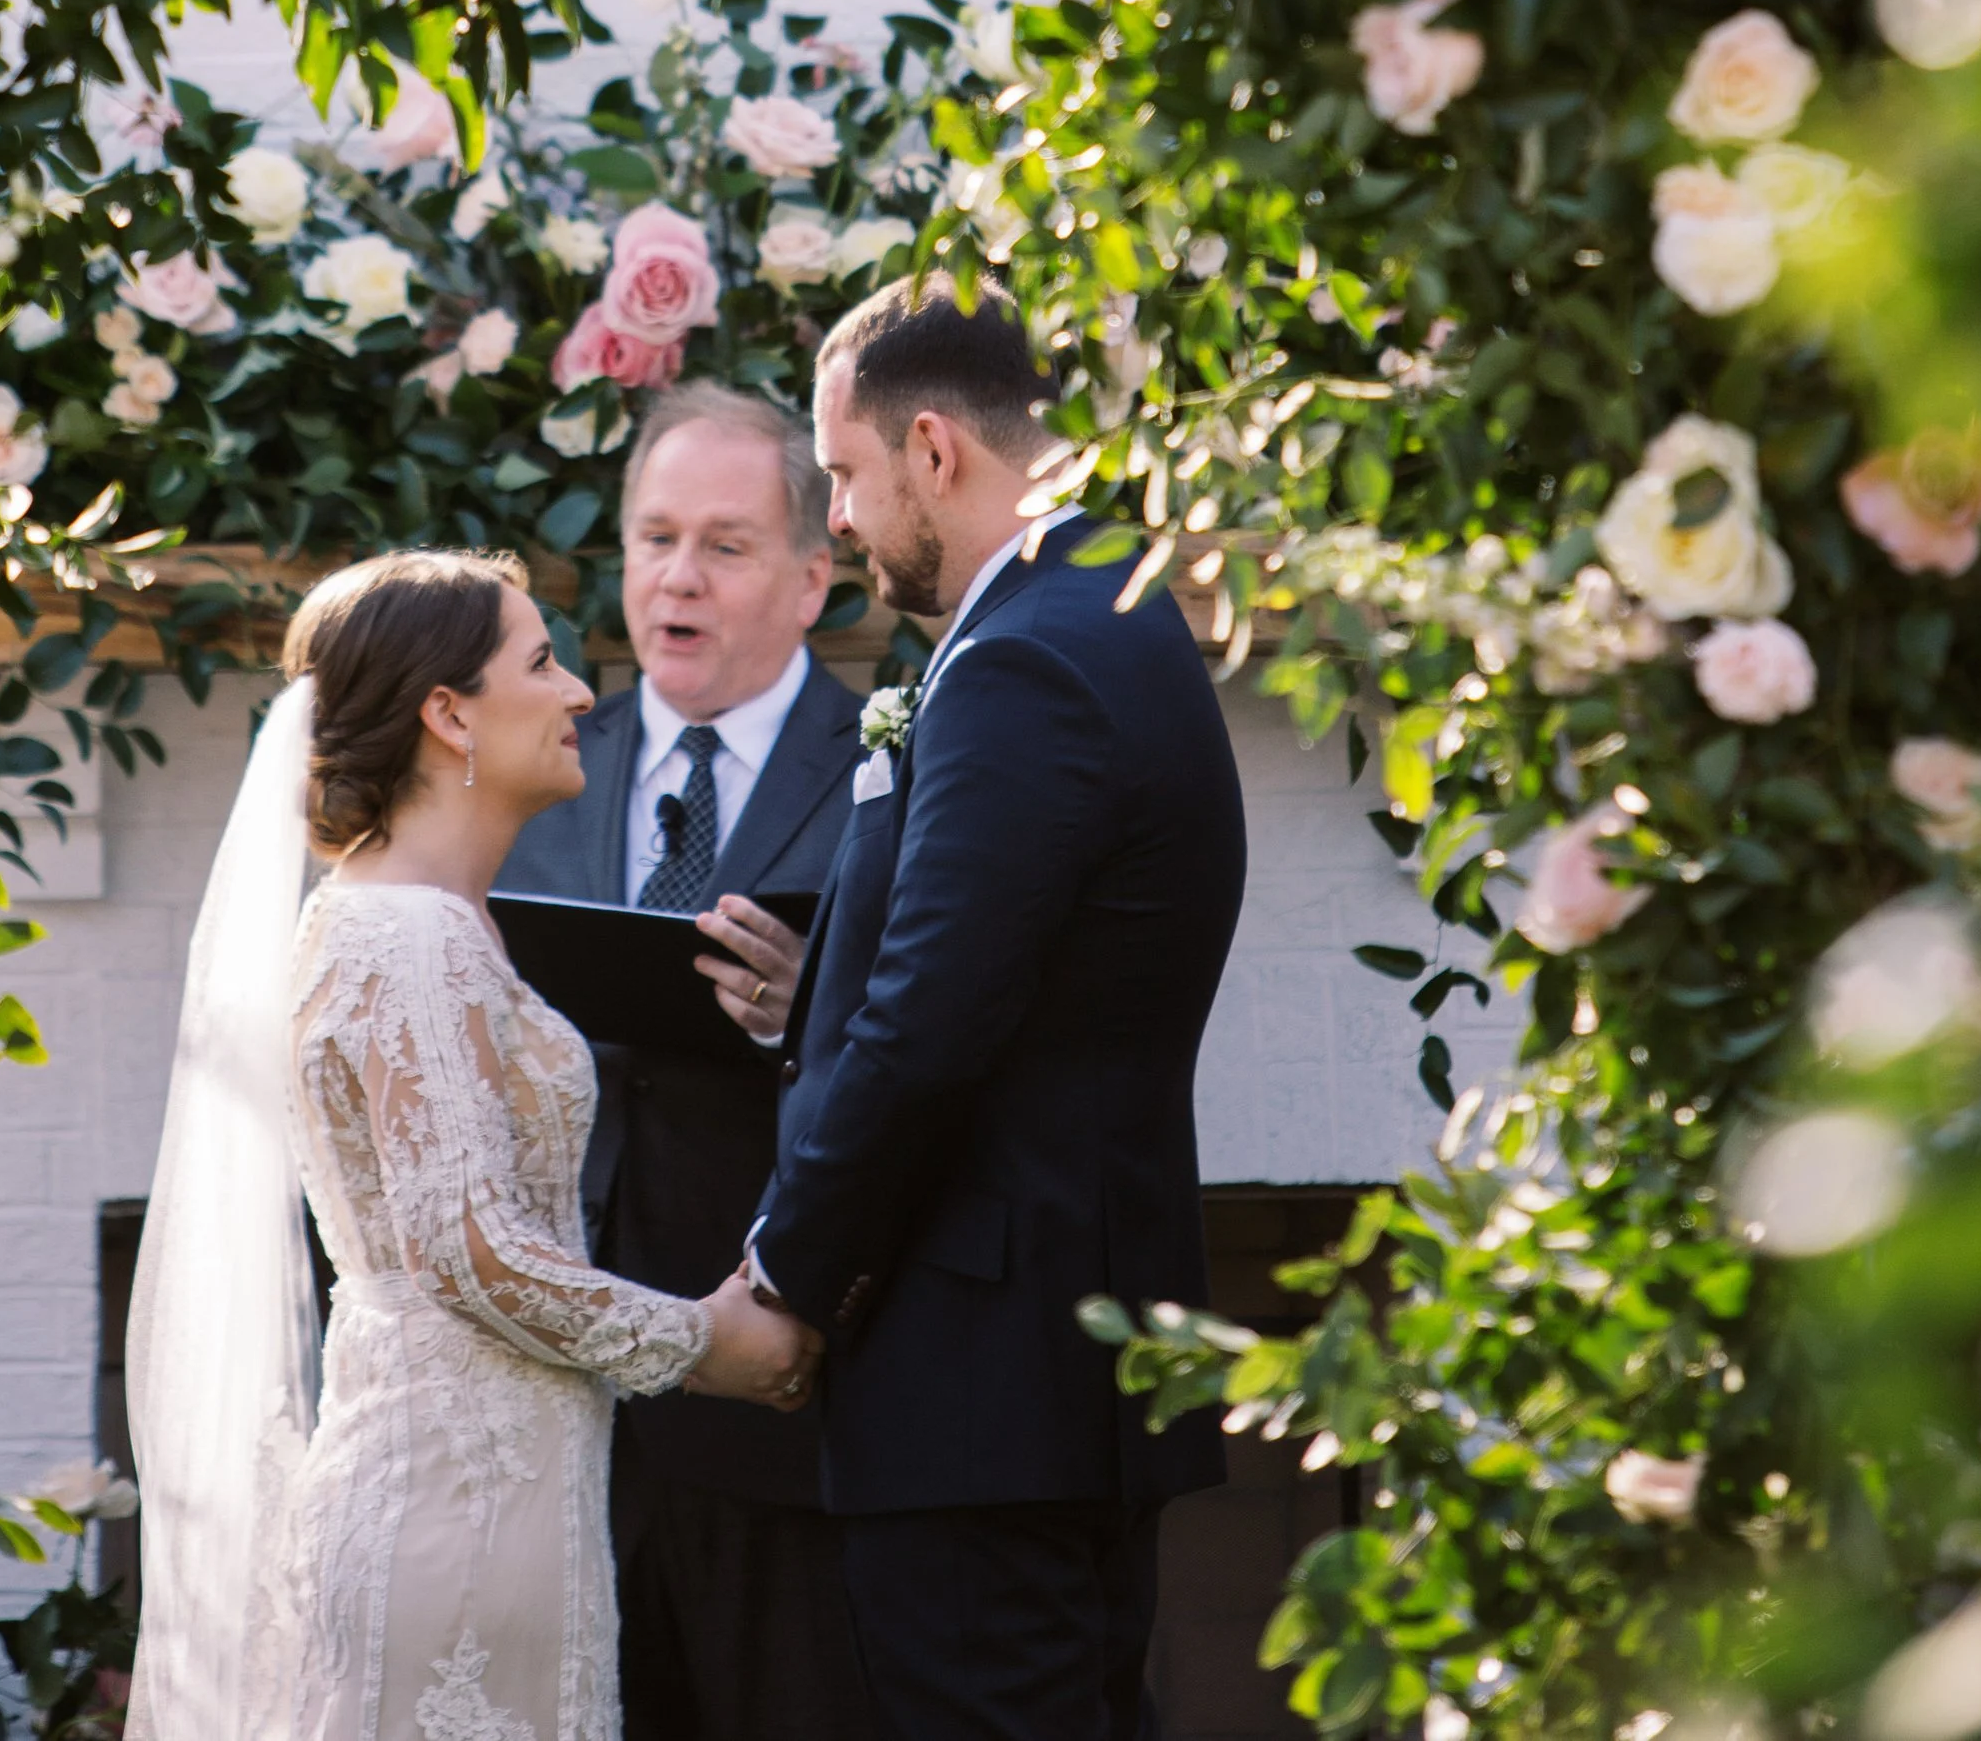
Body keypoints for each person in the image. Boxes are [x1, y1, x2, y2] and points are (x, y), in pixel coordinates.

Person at [125, 546, 817, 1741]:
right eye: (541, 663)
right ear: (448, 715)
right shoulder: (407, 942)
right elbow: (474, 1254)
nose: (579, 693)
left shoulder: (428, 926)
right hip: (448, 1514)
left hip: (507, 1496)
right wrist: (705, 1343)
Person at [749, 283, 1248, 1741]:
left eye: (843, 475)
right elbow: (1020, 976)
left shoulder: (1022, 655)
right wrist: (811, 993)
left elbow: (929, 1024)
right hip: (1059, 1364)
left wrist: (786, 1271)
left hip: (981, 1386)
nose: (837, 521)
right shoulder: (1107, 612)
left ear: (932, 448)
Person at [499, 383, 876, 1741]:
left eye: (725, 543)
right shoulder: (541, 763)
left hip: (783, 1404)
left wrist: (804, 1015)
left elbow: (939, 1052)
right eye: (655, 536)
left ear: (812, 577)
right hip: (562, 1407)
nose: (678, 576)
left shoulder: (893, 772)